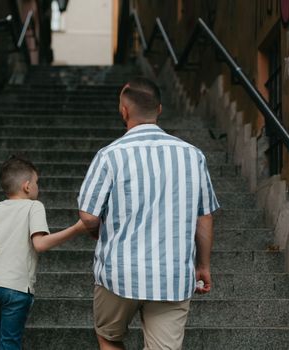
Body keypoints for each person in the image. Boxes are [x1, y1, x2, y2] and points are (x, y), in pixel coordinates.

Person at [78, 77, 220, 350]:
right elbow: (204, 215)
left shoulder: (110, 155)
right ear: (160, 109)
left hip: (118, 272)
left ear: (124, 111)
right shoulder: (192, 155)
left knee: (109, 336)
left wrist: (98, 232)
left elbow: (88, 216)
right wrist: (202, 266)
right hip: (173, 275)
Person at [0, 155, 88, 350]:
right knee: (10, 341)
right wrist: (76, 229)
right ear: (27, 186)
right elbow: (39, 244)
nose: (38, 187)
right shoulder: (34, 206)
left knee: (6, 335)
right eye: (37, 182)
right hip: (15, 286)